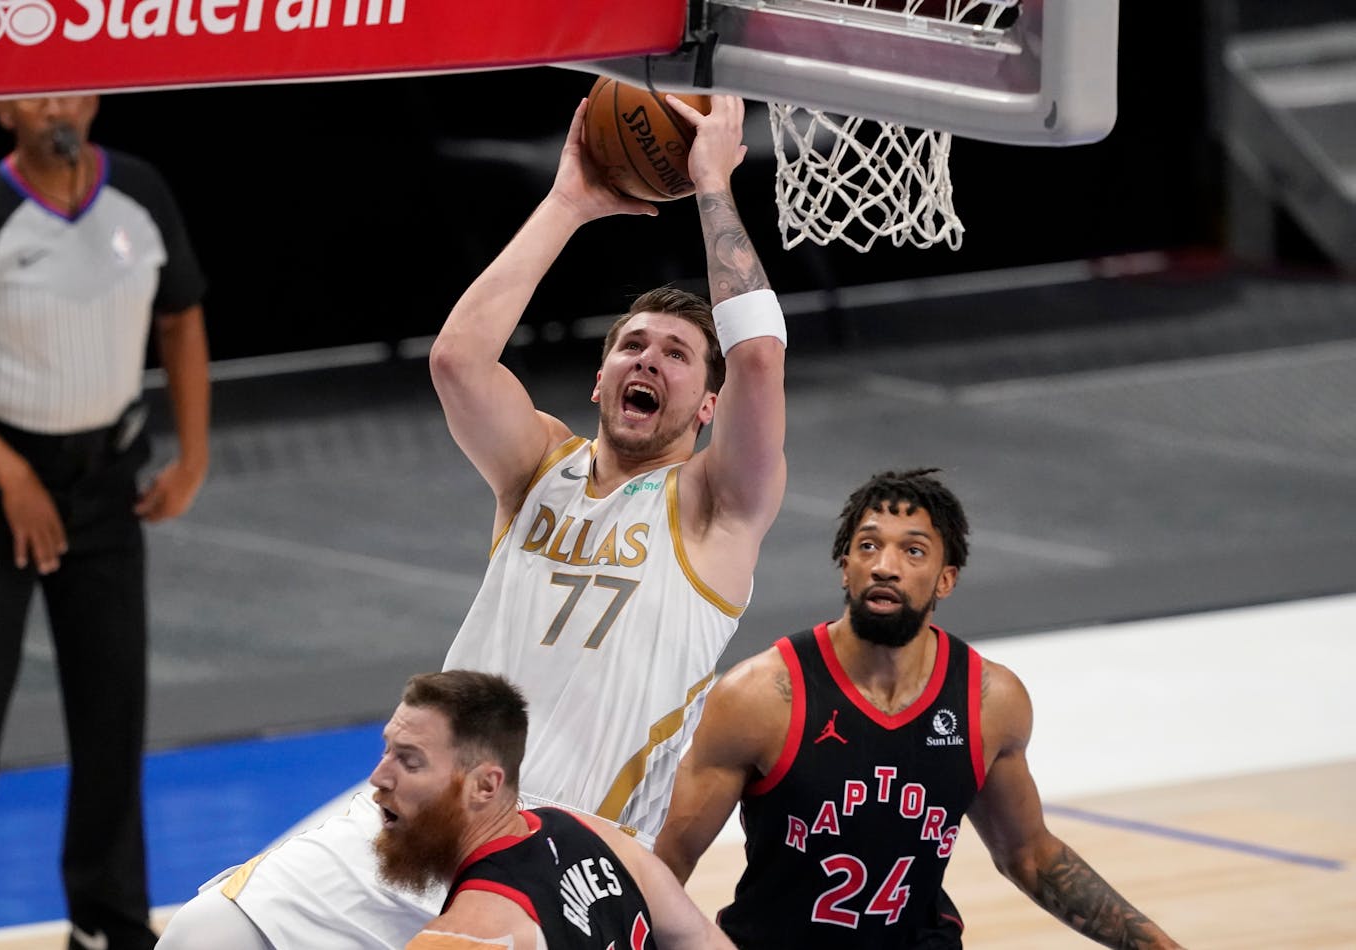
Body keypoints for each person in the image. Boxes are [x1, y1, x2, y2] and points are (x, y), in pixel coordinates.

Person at [157, 91, 785, 950]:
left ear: (707, 404)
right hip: (422, 812)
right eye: (631, 346)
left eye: (676, 355)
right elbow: (457, 360)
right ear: (600, 382)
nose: (648, 360)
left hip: (554, 851)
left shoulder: (718, 511)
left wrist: (712, 180)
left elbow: (757, 354)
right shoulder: (539, 469)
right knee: (201, 934)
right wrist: (570, 201)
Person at [653, 469, 1185, 949]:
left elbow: (1030, 855)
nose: (885, 566)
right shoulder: (761, 696)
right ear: (845, 568)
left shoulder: (988, 701)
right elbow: (667, 861)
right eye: (868, 546)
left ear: (945, 579)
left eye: (912, 551)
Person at [0, 95, 210, 950]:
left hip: (105, 484)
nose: (55, 104)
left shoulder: (140, 192)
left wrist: (193, 455)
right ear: (0, 109)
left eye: (69, 86)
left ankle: (108, 919)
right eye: (34, 90)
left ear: (94, 98)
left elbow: (180, 316)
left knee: (111, 703)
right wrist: (11, 476)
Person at [384, 670, 733, 949]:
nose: (378, 777)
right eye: (386, 751)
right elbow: (698, 938)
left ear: (485, 785)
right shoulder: (592, 833)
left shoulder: (467, 935)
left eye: (409, 762)